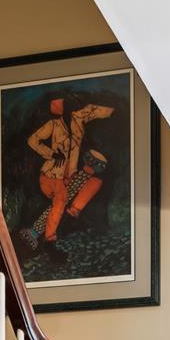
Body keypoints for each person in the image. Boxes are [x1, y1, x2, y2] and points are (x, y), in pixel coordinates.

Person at [23, 96, 114, 246]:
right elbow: (32, 140)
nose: (71, 109)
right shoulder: (53, 125)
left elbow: (92, 109)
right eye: (65, 106)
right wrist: (51, 153)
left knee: (95, 181)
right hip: (50, 176)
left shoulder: (77, 119)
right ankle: (49, 238)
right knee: (60, 200)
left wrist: (112, 112)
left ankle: (74, 209)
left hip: (68, 176)